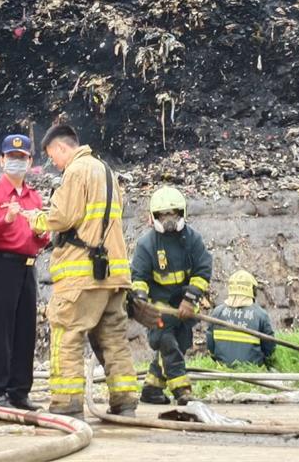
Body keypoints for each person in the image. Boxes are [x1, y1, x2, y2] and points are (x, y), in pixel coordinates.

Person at [19, 123, 139, 419]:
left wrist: (33, 219)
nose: (54, 163)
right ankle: (125, 402)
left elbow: (62, 217)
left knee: (66, 336)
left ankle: (67, 404)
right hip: (113, 274)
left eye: (52, 156)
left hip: (81, 274)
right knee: (113, 339)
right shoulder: (107, 171)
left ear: (62, 147)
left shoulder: (76, 171)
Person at [0, 134, 49, 410]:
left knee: (25, 329)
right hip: (3, 264)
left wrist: (43, 234)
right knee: (1, 329)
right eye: (11, 158)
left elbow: (42, 237)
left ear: (30, 162)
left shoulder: (34, 197)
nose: (16, 162)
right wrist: (5, 221)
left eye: (22, 158)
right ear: (2, 160)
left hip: (28, 267)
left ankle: (20, 391)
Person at [130, 186, 212, 405]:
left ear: (182, 213)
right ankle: (182, 391)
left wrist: (190, 300)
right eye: (163, 214)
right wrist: (140, 302)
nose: (168, 219)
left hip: (183, 307)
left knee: (181, 343)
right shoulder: (146, 245)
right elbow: (139, 277)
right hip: (158, 308)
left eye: (173, 213)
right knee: (167, 344)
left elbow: (203, 270)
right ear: (154, 216)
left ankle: (152, 389)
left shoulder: (192, 239)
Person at [207, 271, 276, 367]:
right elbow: (269, 347)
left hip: (222, 371)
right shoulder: (261, 315)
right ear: (252, 290)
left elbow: (210, 345)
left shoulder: (217, 312)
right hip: (252, 372)